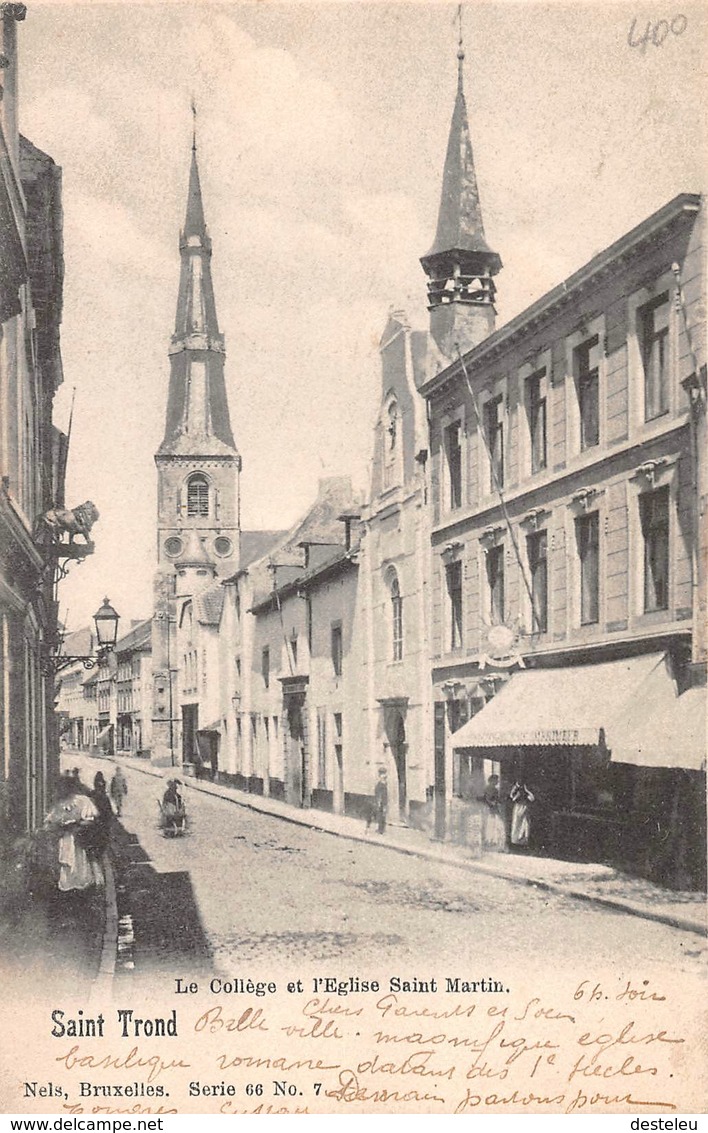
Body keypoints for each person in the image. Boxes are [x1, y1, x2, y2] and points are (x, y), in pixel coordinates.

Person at [44, 775, 104, 892]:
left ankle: (82, 891)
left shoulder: (81, 801)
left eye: (63, 787)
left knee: (80, 864)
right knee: (65, 866)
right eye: (58, 788)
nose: (60, 790)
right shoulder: (59, 804)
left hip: (79, 840)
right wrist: (58, 827)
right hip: (64, 840)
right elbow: (49, 823)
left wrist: (76, 824)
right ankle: (67, 892)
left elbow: (92, 820)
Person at [480, 774, 506, 851]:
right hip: (489, 809)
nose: (497, 782)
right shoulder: (488, 789)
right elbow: (486, 799)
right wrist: (492, 803)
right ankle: (490, 841)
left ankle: (493, 841)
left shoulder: (495, 789)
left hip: (493, 808)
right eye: (496, 780)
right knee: (491, 824)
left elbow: (496, 799)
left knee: (494, 824)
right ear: (492, 780)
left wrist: (499, 802)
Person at [90, 772, 113, 854]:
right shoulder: (104, 797)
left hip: (98, 819)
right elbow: (109, 811)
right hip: (103, 819)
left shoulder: (93, 795)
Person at [509, 781, 535, 849]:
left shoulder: (527, 790)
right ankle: (515, 842)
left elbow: (532, 798)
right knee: (516, 824)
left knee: (525, 825)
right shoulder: (516, 789)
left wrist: (527, 791)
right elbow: (512, 797)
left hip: (525, 807)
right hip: (518, 808)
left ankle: (524, 842)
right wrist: (517, 794)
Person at [370, 767, 388, 835]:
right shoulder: (383, 782)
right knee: (381, 815)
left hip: (381, 801)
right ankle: (381, 829)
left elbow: (381, 794)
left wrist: (379, 802)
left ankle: (381, 830)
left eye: (381, 773)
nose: (381, 775)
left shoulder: (382, 783)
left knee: (381, 815)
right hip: (382, 801)